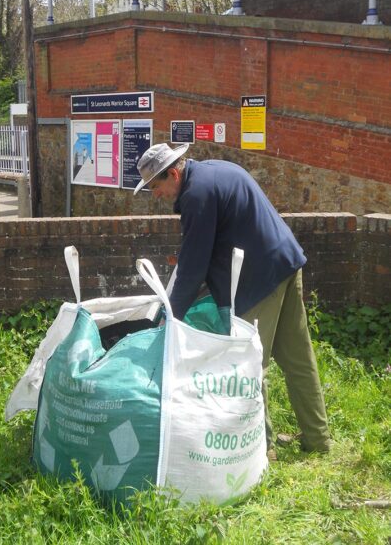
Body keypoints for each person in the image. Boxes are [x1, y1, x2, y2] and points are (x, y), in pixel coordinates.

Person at [134, 142, 331, 455]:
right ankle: (318, 439)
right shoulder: (215, 170)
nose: (155, 195)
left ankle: (259, 450)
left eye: (156, 187)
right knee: (298, 359)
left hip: (260, 280)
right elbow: (200, 253)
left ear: (173, 173)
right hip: (285, 262)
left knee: (251, 364)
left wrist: (170, 318)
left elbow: (193, 267)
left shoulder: (196, 196)